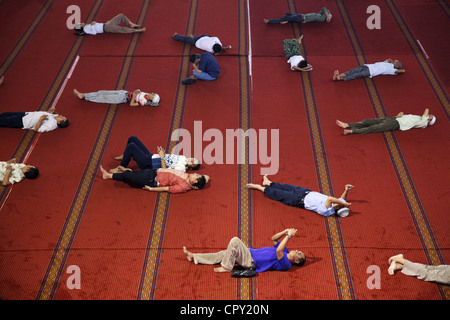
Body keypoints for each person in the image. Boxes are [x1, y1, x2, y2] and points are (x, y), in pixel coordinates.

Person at [183, 228, 306, 273]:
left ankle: (227, 267)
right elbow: (273, 239)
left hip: (250, 261)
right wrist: (285, 231)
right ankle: (194, 257)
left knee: (235, 240)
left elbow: (278, 251)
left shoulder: (286, 264)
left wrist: (289, 236)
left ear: (296, 260)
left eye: (299, 253)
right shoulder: (286, 250)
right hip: (248, 253)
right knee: (224, 253)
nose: (297, 250)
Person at [246, 175, 353, 217]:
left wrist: (344, 203)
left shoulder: (327, 210)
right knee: (285, 187)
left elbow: (332, 199)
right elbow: (342, 199)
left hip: (297, 200)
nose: (340, 201)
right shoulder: (337, 204)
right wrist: (346, 190)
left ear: (338, 208)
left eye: (341, 204)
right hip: (305, 192)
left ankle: (259, 187)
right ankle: (268, 183)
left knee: (278, 194)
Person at [110, 136, 200, 173]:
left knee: (131, 146)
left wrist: (161, 157)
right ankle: (126, 155)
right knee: (132, 139)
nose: (191, 160)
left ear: (191, 167)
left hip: (148, 164)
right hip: (151, 156)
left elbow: (165, 170)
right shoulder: (183, 157)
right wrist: (163, 154)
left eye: (193, 162)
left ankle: (121, 168)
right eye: (193, 159)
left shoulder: (182, 168)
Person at [100, 165, 209, 194]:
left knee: (129, 177)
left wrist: (151, 189)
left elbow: (167, 188)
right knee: (134, 175)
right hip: (155, 172)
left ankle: (108, 176)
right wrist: (204, 179)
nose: (195, 173)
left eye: (197, 176)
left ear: (194, 182)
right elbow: (207, 178)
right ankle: (126, 171)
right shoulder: (188, 177)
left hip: (152, 180)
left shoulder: (184, 186)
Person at [336, 108, 436, 135]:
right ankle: (347, 125)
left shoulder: (424, 122)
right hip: (394, 118)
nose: (429, 114)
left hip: (395, 123)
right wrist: (400, 115)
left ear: (430, 119)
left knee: (373, 128)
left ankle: (352, 131)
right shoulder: (420, 119)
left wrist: (428, 116)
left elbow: (427, 109)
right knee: (368, 121)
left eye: (430, 116)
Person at [0, 107, 69, 132]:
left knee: (3, 120)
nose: (61, 115)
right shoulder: (56, 116)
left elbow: (37, 129)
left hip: (22, 121)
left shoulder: (51, 125)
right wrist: (53, 110)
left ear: (59, 122)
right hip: (25, 114)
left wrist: (41, 119)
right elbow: (50, 114)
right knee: (6, 114)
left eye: (62, 117)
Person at [333, 58, 405, 81]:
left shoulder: (392, 70)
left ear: (397, 65)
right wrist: (391, 61)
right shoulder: (388, 63)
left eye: (396, 61)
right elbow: (389, 59)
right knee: (353, 70)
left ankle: (340, 78)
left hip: (371, 71)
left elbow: (402, 71)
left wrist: (396, 67)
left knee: (355, 75)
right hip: (368, 66)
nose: (395, 60)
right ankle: (339, 76)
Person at [74, 13, 146, 35]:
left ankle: (132, 24)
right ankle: (138, 30)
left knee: (120, 16)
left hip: (107, 24)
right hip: (106, 28)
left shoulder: (87, 25)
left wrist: (94, 23)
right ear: (81, 27)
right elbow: (94, 32)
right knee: (122, 29)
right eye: (80, 24)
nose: (81, 23)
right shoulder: (86, 29)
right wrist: (92, 25)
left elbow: (96, 24)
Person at [73, 89, 160, 107]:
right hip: (123, 92)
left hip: (122, 98)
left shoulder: (144, 101)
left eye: (153, 95)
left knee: (103, 97)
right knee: (102, 92)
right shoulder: (146, 93)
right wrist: (136, 91)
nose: (152, 93)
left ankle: (84, 96)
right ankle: (84, 94)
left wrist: (133, 96)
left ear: (151, 99)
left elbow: (132, 104)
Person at [264, 7, 332, 24]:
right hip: (300, 16)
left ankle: (269, 21)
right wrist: (328, 16)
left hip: (301, 18)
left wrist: (327, 17)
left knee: (285, 18)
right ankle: (287, 20)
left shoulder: (322, 18)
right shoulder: (320, 14)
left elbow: (325, 9)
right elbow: (324, 9)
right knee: (288, 15)